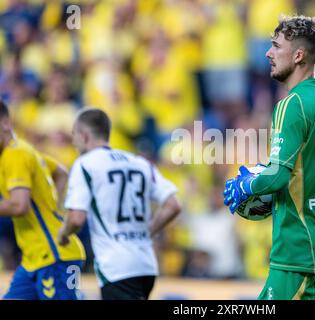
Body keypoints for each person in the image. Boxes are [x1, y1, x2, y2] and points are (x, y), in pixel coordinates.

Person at [224, 15, 315, 300]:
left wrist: (247, 186)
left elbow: (278, 175)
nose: (268, 53)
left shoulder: (291, 104)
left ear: (298, 55)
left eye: (275, 46)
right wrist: (291, 184)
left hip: (299, 241)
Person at [58, 108, 181, 300]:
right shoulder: (138, 162)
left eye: (74, 135)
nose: (73, 142)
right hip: (146, 263)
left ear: (84, 135)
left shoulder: (85, 164)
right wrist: (148, 232)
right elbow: (173, 205)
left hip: (116, 265)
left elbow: (76, 218)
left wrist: (63, 234)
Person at [0, 100, 85, 300]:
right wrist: (52, 208)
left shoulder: (15, 155)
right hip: (34, 259)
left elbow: (19, 205)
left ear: (5, 123)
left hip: (56, 257)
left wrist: (50, 212)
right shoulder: (21, 151)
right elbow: (61, 172)